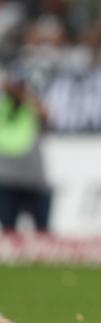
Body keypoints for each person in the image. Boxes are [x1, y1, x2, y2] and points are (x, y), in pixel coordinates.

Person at [0, 70, 51, 234]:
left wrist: (24, 96)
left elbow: (47, 115)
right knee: (8, 227)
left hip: (33, 175)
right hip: (6, 174)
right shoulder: (3, 105)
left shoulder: (31, 105)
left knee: (41, 227)